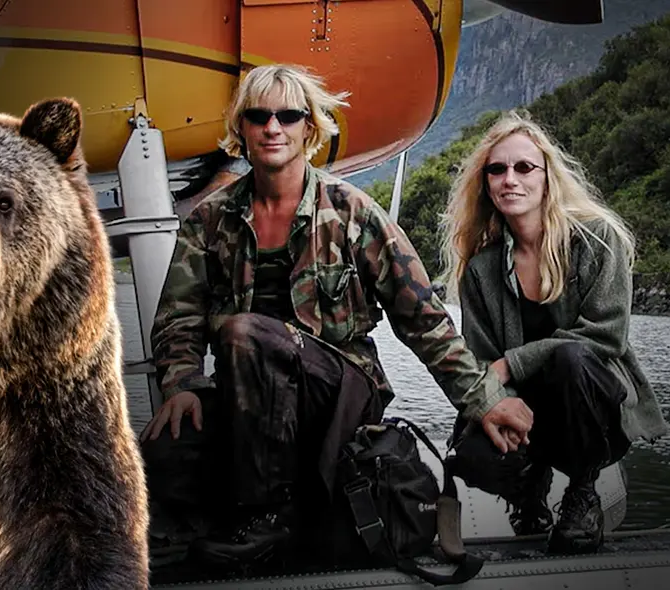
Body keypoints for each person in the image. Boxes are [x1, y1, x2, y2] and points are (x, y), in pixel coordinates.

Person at [139, 63, 531, 568]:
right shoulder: (210, 220)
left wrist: (485, 401)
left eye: (287, 115)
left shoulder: (354, 213)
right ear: (241, 128)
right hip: (251, 399)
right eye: (258, 116)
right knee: (164, 456)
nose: (272, 127)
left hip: (341, 392)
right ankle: (228, 518)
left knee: (244, 333)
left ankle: (267, 517)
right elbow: (179, 315)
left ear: (309, 127)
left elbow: (424, 320)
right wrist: (182, 384)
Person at [439, 110, 669, 555]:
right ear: (485, 182)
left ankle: (583, 493)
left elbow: (606, 337)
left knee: (570, 359)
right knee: (469, 454)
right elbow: (485, 365)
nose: (510, 178)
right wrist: (491, 403)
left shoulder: (599, 238)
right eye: (497, 169)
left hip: (596, 406)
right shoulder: (481, 270)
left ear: (547, 177)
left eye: (524, 167)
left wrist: (516, 361)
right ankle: (529, 491)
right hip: (527, 413)